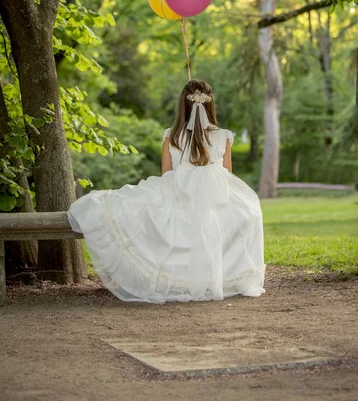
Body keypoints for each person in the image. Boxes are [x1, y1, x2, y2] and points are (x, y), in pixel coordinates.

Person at [67, 79, 266, 303]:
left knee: (161, 218)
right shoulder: (223, 136)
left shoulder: (171, 135)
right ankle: (226, 276)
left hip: (179, 188)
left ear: (182, 104)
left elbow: (166, 172)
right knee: (247, 212)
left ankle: (180, 279)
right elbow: (228, 172)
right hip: (217, 193)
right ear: (211, 104)